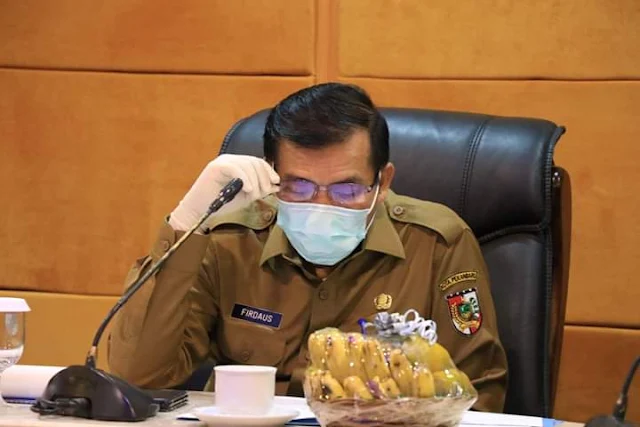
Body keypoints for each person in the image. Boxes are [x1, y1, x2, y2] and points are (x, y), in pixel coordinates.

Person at [108, 82, 508, 412]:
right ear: (272, 176)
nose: (321, 205)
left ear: (383, 182)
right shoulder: (229, 238)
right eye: (299, 186)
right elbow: (140, 376)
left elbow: (476, 398)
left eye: (347, 189)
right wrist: (185, 226)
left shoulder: (436, 243)